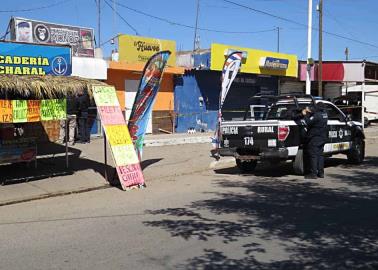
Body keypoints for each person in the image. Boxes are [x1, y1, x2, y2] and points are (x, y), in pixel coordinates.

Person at [301, 103, 328, 179]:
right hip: (322, 137)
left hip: (315, 138)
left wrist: (305, 114)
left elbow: (308, 122)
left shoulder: (317, 115)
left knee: (313, 155)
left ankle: (313, 174)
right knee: (320, 155)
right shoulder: (324, 114)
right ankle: (321, 173)